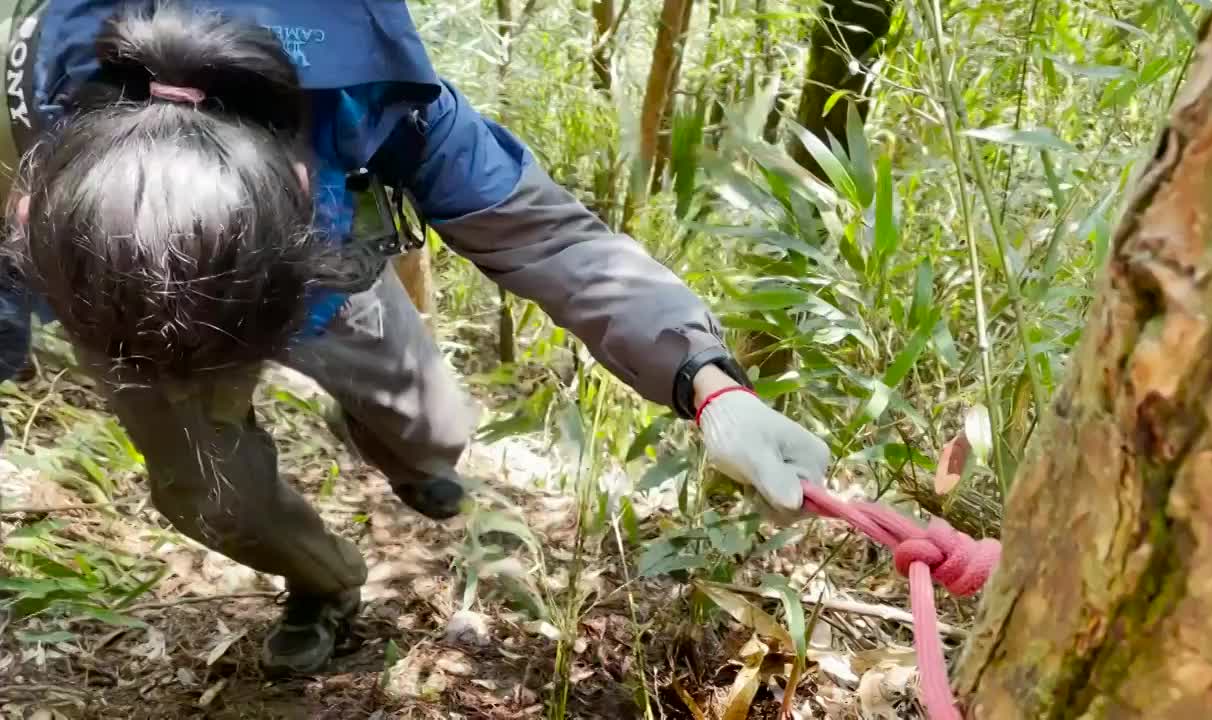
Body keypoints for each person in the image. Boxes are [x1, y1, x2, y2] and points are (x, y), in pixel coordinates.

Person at [0, 0, 831, 675]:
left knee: (439, 434)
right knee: (211, 497)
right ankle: (322, 584)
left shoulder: (370, 90)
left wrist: (708, 382)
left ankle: (395, 445)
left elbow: (549, 238)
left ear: (300, 183)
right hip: (125, 309)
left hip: (328, 289)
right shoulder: (49, 84)